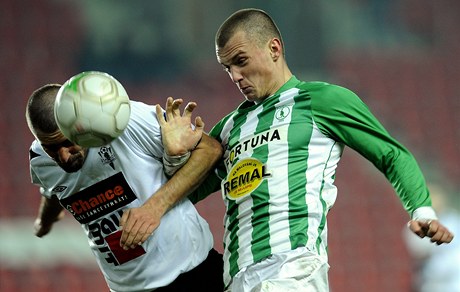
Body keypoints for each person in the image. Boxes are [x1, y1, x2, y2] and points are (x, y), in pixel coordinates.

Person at [120, 8, 455, 292]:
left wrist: (421, 211)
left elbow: (390, 153)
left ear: (274, 48)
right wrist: (175, 156)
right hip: (238, 279)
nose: (235, 76)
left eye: (241, 61)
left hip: (293, 271)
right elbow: (186, 194)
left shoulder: (321, 100)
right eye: (227, 68)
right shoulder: (229, 128)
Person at [26, 84, 224, 292]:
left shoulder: (124, 121)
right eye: (51, 148)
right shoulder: (40, 160)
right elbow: (52, 192)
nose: (63, 157)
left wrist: (154, 208)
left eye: (68, 142)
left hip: (194, 276)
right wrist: (43, 222)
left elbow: (210, 150)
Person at [403, 183, 460, 292]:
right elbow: (419, 250)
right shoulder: (416, 224)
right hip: (433, 281)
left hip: (455, 279)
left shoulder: (453, 219)